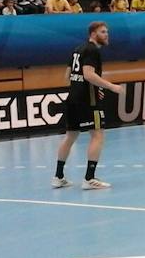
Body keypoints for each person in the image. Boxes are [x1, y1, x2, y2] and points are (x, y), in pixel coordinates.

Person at [52, 21, 122, 190]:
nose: (106, 35)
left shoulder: (78, 49)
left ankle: (58, 176)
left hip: (73, 98)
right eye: (103, 32)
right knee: (97, 135)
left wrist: (82, 88)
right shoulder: (92, 50)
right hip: (88, 101)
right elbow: (89, 75)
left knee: (70, 136)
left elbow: (67, 76)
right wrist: (111, 86)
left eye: (107, 32)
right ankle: (89, 178)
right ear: (93, 34)